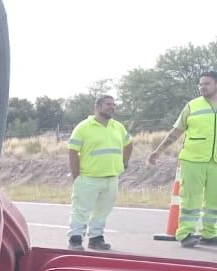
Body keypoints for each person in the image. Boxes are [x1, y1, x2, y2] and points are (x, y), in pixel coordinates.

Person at [148, 71, 217, 248]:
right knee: (190, 198)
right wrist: (158, 151)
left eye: (206, 83)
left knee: (214, 201)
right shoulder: (192, 106)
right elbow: (176, 131)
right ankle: (185, 233)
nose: (202, 87)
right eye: (200, 84)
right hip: (193, 160)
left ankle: (210, 233)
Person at [66, 95, 132, 250]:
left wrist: (124, 163)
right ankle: (75, 239)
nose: (112, 107)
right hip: (88, 178)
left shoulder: (118, 126)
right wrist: (76, 176)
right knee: (80, 210)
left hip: (111, 178)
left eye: (114, 104)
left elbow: (129, 144)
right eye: (108, 104)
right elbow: (72, 151)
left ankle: (96, 239)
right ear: (98, 107)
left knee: (102, 212)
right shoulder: (83, 127)